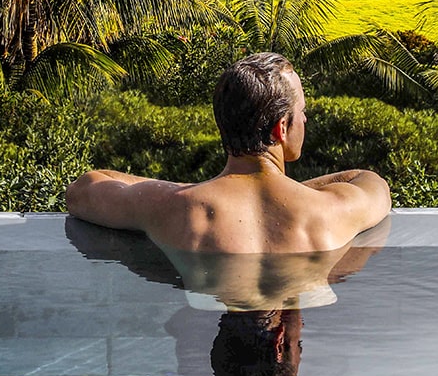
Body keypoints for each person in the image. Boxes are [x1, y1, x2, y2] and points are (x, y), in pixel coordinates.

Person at [65, 52, 392, 254]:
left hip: (212, 324)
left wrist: (177, 192)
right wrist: (289, 195)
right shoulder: (329, 209)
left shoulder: (175, 207)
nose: (305, 119)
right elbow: (371, 182)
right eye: (302, 111)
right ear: (281, 128)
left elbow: (82, 191)